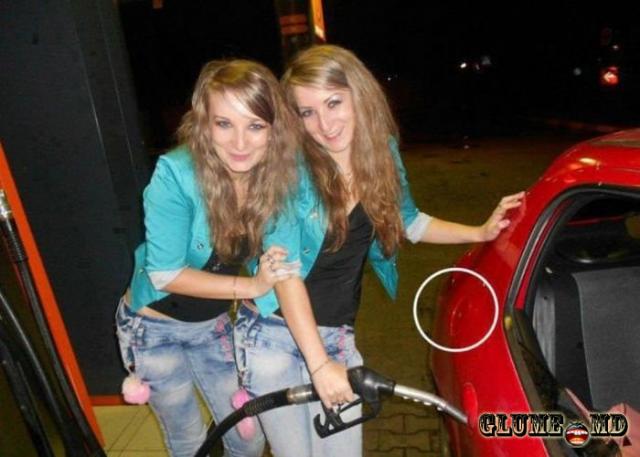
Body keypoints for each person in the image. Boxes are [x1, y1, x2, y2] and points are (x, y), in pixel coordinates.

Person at [233, 45, 524, 457]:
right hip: (272, 336)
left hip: (334, 335)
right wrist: (319, 365)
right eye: (307, 112)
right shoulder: (289, 170)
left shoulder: (381, 153)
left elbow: (408, 220)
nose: (324, 124)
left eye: (334, 103)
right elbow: (285, 273)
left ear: (358, 94)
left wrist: (480, 231)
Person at [114, 59, 299, 457]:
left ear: (274, 129)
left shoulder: (273, 179)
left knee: (249, 437)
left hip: (212, 324)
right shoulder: (176, 174)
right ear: (204, 123)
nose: (240, 143)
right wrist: (252, 286)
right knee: (189, 440)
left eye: (255, 126)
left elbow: (284, 266)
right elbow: (164, 274)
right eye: (224, 124)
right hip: (153, 328)